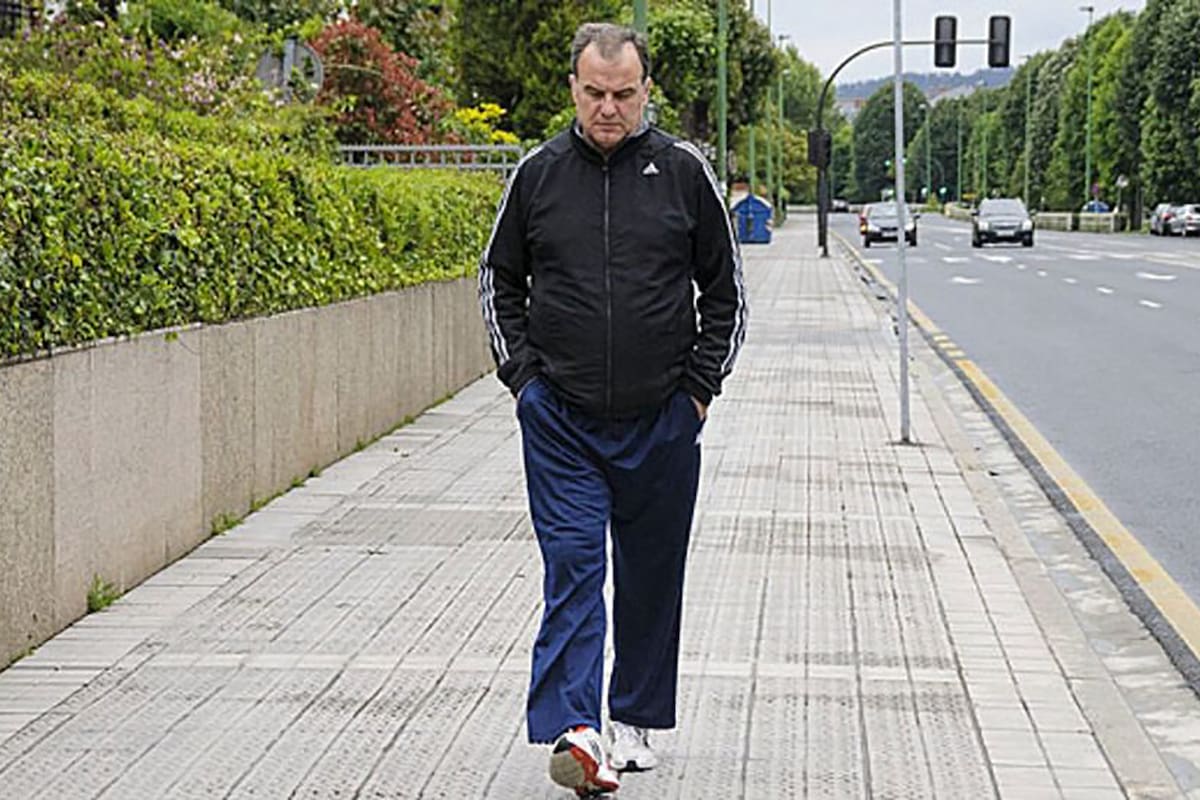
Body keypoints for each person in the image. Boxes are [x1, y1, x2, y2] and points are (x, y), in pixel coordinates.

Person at [478, 21, 746, 797]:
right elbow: (499, 283)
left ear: (645, 91)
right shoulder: (537, 176)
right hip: (561, 418)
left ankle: (631, 719)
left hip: (663, 416)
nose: (608, 109)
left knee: (652, 573)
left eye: (624, 95)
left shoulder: (684, 173)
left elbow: (725, 291)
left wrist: (698, 392)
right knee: (573, 566)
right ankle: (575, 728)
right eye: (595, 94)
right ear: (573, 88)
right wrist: (524, 384)